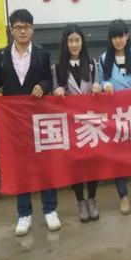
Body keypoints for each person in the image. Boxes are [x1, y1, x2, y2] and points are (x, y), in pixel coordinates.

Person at [0, 9, 60, 236]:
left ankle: (50, 210)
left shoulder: (42, 54)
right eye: (18, 27)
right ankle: (24, 214)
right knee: (20, 166)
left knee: (45, 164)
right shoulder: (2, 55)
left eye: (26, 27)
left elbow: (49, 79)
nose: (23, 31)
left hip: (38, 118)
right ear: (11, 30)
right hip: (14, 121)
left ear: (32, 29)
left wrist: (43, 86)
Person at [52, 24, 102, 222]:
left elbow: (98, 85)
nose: (74, 45)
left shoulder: (92, 65)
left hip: (90, 123)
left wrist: (98, 87)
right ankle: (80, 201)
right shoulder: (57, 68)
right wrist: (56, 91)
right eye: (70, 41)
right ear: (65, 43)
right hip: (71, 125)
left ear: (82, 42)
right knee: (76, 165)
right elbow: (54, 94)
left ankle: (92, 200)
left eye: (77, 40)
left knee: (92, 163)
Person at [98, 19, 131, 214]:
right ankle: (123, 197)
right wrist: (106, 85)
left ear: (127, 36)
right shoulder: (103, 59)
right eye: (114, 37)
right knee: (119, 157)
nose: (118, 40)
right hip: (115, 115)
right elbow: (101, 80)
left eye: (121, 36)